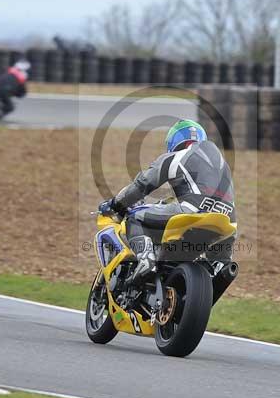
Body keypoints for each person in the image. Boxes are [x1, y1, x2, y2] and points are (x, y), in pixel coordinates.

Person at [98, 119, 236, 281]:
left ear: (174, 141)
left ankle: (146, 259)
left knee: (134, 218)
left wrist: (116, 203)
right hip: (228, 225)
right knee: (218, 271)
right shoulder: (221, 165)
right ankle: (216, 274)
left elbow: (142, 184)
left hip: (193, 211)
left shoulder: (176, 157)